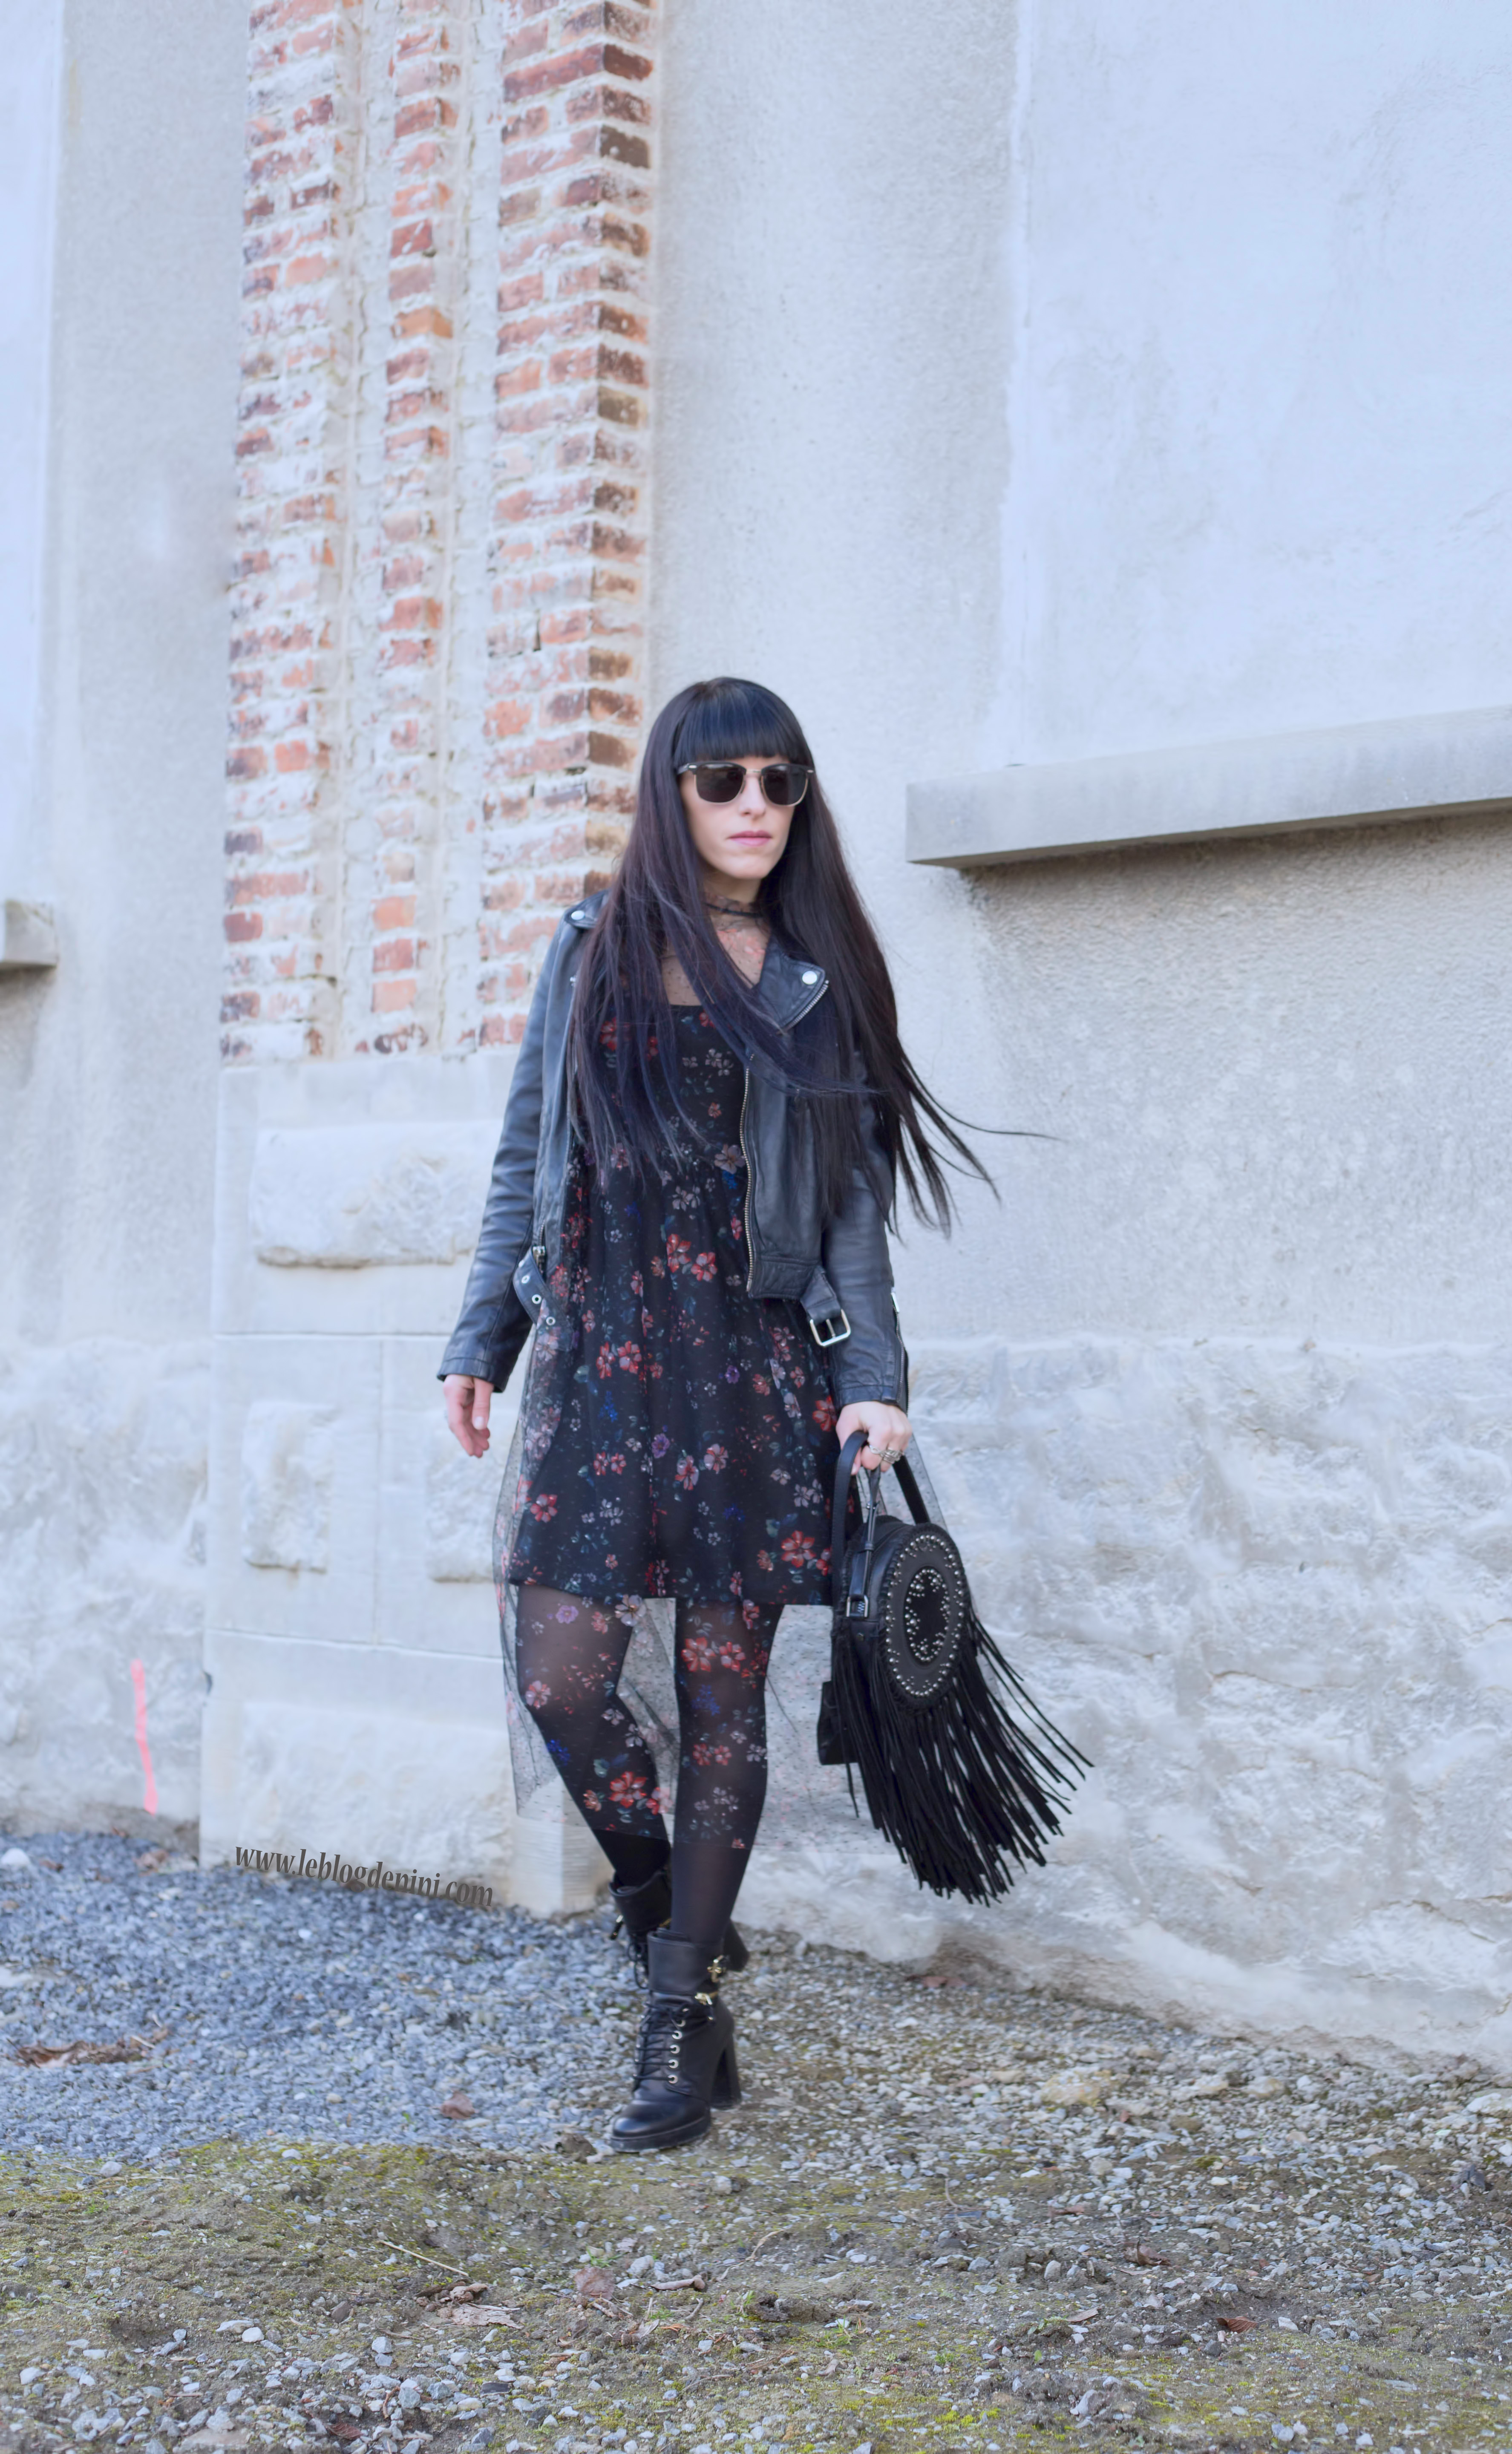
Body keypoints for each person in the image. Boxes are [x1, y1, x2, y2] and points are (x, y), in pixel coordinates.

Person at [438, 676, 984, 2152]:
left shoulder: (814, 976)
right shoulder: (591, 949)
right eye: (724, 781)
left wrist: (874, 1380)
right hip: (602, 1359)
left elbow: (854, 1209)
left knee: (724, 1695)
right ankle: (666, 1916)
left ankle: (678, 2022)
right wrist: (483, 1336)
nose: (756, 807)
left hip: (752, 1367)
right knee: (562, 1677)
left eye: (781, 783)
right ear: (670, 795)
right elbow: (524, 1155)